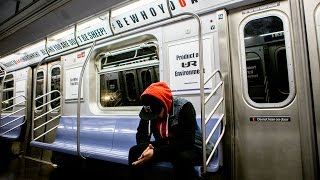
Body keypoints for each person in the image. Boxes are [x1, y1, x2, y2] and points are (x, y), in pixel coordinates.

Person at [128, 81, 211, 180]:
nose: (155, 117)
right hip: (165, 145)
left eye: (157, 113)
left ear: (164, 104)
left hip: (192, 146)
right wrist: (146, 149)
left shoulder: (184, 107)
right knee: (135, 151)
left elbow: (186, 142)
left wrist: (156, 152)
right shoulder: (149, 109)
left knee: (181, 158)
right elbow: (142, 134)